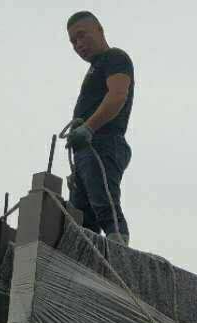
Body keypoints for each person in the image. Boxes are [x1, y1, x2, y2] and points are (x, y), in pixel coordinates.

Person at [64, 11, 134, 243]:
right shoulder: (95, 68)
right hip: (87, 147)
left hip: (103, 142)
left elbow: (118, 95)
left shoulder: (115, 58)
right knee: (83, 220)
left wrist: (88, 128)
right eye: (73, 41)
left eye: (82, 35)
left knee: (105, 206)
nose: (78, 44)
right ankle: (88, 260)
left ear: (99, 30)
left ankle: (120, 254)